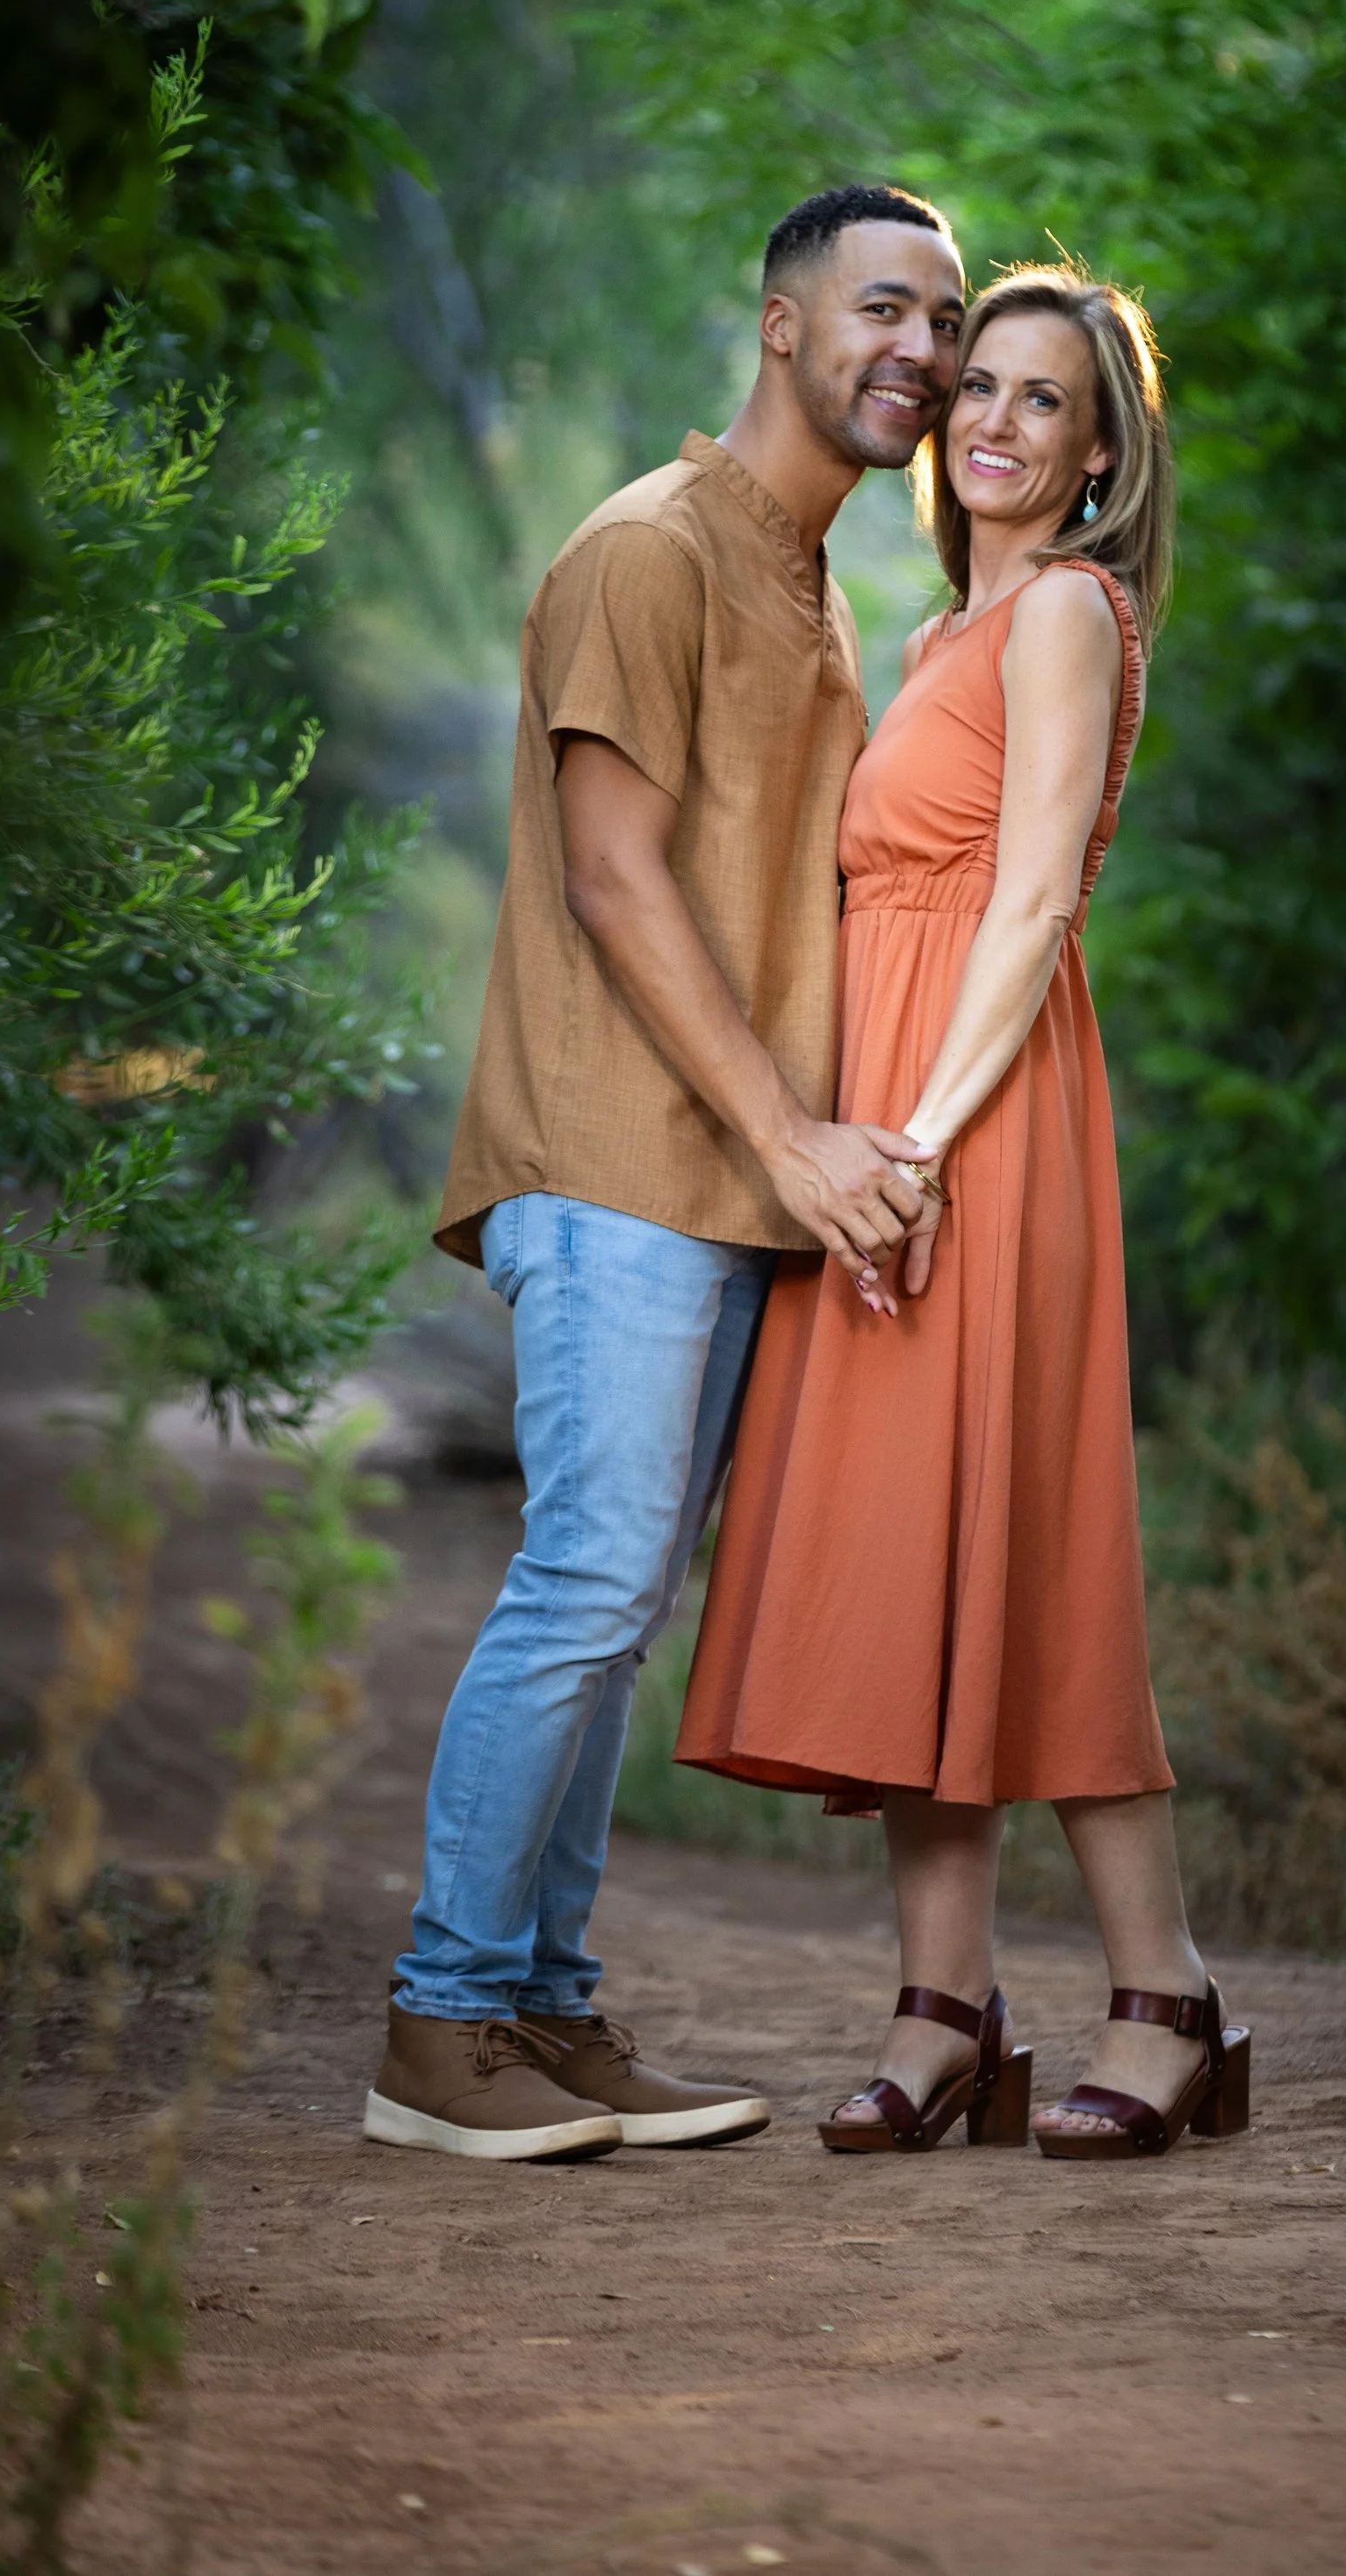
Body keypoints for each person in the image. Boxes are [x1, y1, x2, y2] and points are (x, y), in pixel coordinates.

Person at [364, 183, 968, 2163]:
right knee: (585, 1578)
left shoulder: (812, 584)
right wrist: (789, 1133)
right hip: (617, 1160)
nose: (921, 349)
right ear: (780, 321)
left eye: (943, 320)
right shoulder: (647, 548)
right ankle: (440, 2020)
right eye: (882, 305)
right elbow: (616, 878)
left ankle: (536, 2009)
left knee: (616, 1600)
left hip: (720, 1184)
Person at [676, 264, 1249, 2160]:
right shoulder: (933, 634)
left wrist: (913, 1139)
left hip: (980, 1124)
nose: (990, 418)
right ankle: (945, 2008)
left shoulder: (1068, 614)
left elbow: (1028, 913)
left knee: (1036, 1550)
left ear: (1097, 451)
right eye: (975, 385)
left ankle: (1163, 1997)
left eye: (1041, 399)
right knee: (911, 1564)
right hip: (886, 1128)